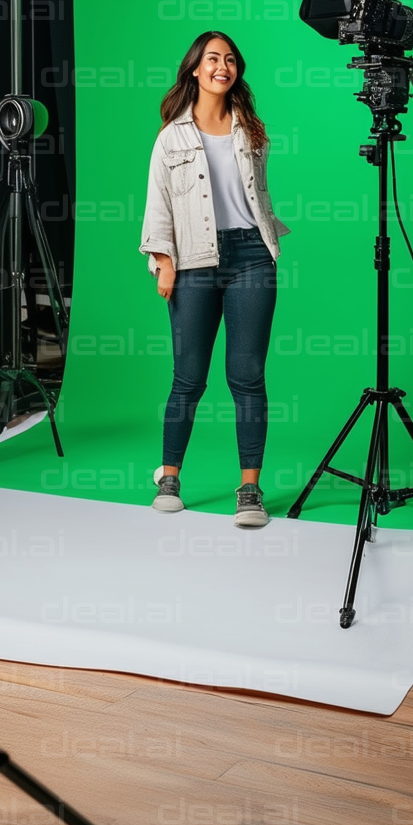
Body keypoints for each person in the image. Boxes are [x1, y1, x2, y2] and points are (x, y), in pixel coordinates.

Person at [140, 31, 290, 527]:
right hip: (192, 261)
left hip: (250, 256)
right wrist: (163, 259)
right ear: (194, 69)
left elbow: (256, 198)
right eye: (212, 59)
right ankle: (169, 477)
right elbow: (159, 202)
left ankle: (249, 490)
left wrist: (270, 245)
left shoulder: (252, 131)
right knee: (189, 377)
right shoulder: (171, 137)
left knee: (247, 377)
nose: (222, 66)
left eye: (229, 60)